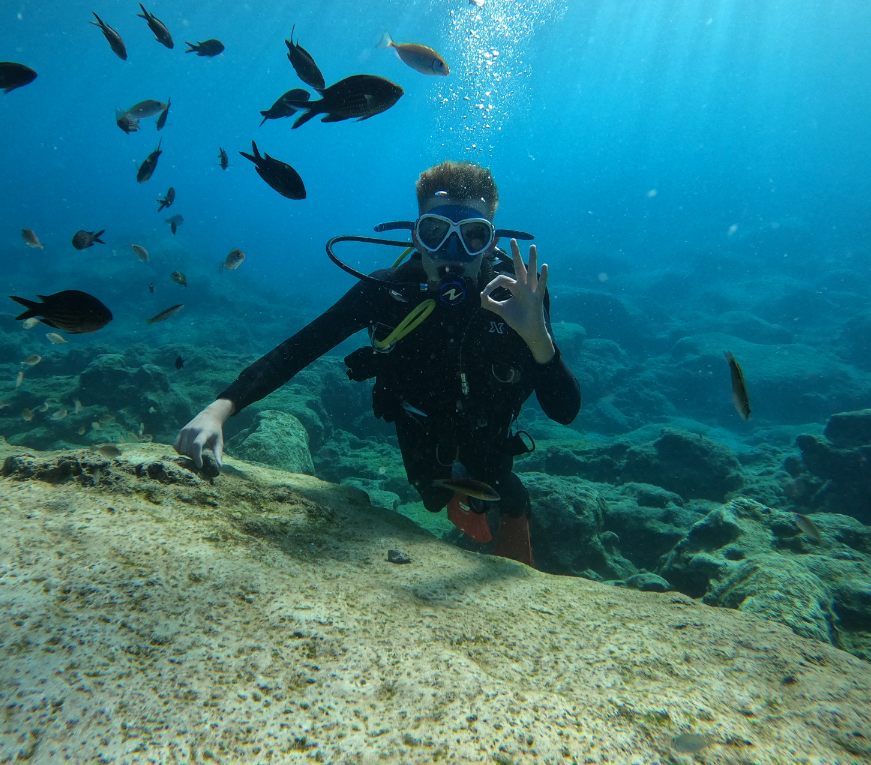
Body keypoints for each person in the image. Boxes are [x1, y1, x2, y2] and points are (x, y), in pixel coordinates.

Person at [174, 161, 581, 567]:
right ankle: (460, 496)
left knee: (495, 486)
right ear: (416, 238)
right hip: (418, 427)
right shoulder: (387, 292)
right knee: (434, 497)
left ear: (490, 244)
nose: (452, 254)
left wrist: (536, 338)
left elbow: (565, 412)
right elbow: (300, 348)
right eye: (436, 233)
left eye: (473, 236)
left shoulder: (520, 297)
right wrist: (219, 410)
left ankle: (512, 506)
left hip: (489, 434)